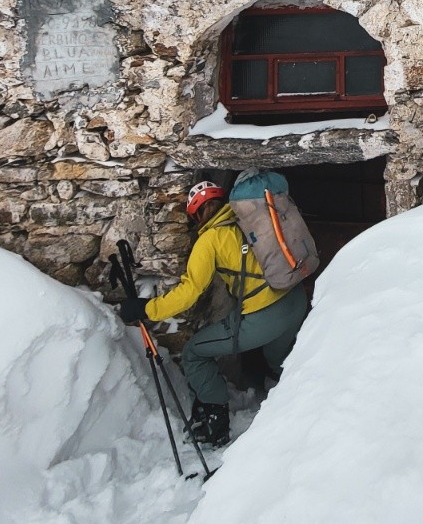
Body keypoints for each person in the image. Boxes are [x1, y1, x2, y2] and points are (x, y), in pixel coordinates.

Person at [118, 180, 310, 446]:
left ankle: (215, 422)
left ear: (196, 214)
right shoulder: (251, 220)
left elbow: (190, 291)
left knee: (194, 353)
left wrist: (148, 309)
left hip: (265, 317)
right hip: (296, 299)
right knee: (281, 359)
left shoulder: (210, 240)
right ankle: (307, 408)